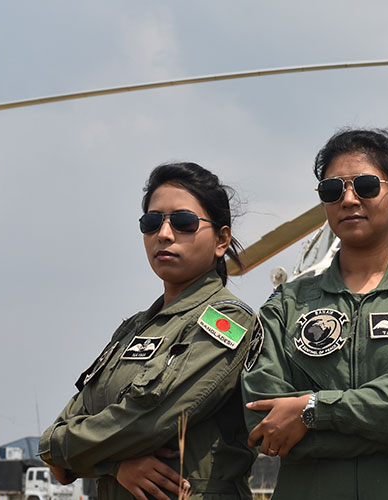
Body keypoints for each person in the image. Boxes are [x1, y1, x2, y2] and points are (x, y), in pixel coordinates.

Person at [241, 128, 388, 499]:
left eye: (365, 186)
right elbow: (262, 423)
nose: (348, 199)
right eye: (333, 190)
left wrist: (311, 409)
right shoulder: (285, 306)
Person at [39, 163, 257, 500]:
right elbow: (64, 435)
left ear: (221, 239)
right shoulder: (133, 329)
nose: (164, 234)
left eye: (184, 222)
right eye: (152, 222)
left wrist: (60, 448)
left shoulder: (227, 320)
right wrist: (113, 467)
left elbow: (149, 422)